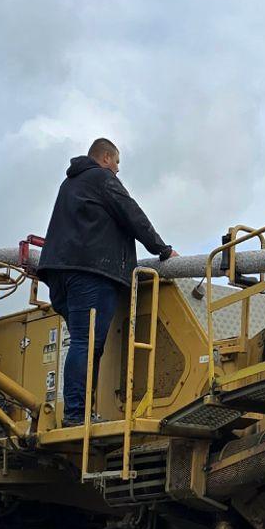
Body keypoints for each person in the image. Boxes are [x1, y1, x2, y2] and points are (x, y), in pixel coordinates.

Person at [35, 138, 177, 426]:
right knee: (86, 343)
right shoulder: (101, 178)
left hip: (61, 274)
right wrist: (162, 249)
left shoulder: (70, 185)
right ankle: (76, 415)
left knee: (85, 344)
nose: (118, 170)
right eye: (117, 163)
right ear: (106, 158)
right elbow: (130, 212)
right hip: (91, 272)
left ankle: (83, 412)